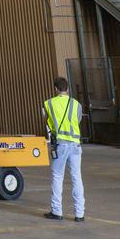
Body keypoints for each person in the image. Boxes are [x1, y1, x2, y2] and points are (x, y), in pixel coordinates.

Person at [44, 76, 85, 222]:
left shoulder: (49, 104)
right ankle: (79, 214)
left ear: (55, 89)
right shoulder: (77, 104)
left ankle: (57, 211)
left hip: (60, 144)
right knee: (76, 177)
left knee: (57, 177)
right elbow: (77, 120)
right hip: (75, 144)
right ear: (67, 88)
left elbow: (48, 122)